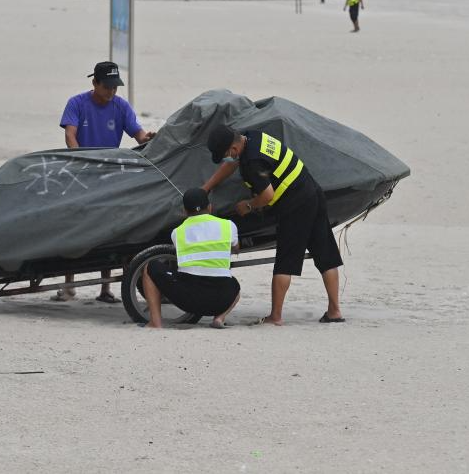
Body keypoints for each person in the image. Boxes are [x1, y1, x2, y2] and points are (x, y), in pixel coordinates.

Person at [202, 125, 344, 325]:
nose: (226, 159)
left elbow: (268, 195)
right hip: (312, 191)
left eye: (225, 155)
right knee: (325, 253)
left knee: (285, 260)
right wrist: (207, 187)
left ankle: (275, 316)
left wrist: (248, 205)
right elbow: (233, 164)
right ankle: (335, 311)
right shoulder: (252, 137)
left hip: (295, 205)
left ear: (233, 149)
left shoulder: (251, 163)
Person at [54, 61, 155, 303]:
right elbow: (70, 135)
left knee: (108, 229)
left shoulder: (121, 106)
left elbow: (138, 134)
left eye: (115, 87)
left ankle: (105, 288)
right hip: (81, 173)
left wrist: (148, 138)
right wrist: (81, 160)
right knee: (75, 226)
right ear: (95, 83)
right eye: (107, 86)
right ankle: (69, 285)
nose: (111, 91)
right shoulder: (77, 103)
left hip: (109, 176)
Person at [141, 188, 241, 329]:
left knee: (150, 267)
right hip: (221, 300)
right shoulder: (229, 226)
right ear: (210, 207)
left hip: (188, 300)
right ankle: (219, 318)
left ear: (184, 211)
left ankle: (155, 323)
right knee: (235, 286)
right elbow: (236, 248)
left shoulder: (177, 233)